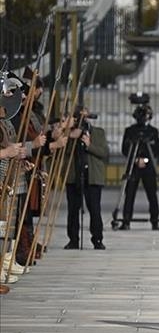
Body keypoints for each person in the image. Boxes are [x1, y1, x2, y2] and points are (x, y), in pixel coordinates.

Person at [64, 106, 108, 250]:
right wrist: (71, 136)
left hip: (92, 177)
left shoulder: (98, 133)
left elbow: (104, 153)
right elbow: (63, 153)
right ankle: (73, 239)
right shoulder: (69, 134)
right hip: (74, 175)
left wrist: (89, 145)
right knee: (73, 209)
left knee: (95, 209)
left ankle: (97, 239)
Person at [120, 103, 159, 230]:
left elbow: (157, 150)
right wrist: (136, 160)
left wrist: (146, 160)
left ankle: (155, 221)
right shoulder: (130, 131)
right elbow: (125, 149)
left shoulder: (153, 132)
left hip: (149, 168)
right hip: (133, 166)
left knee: (152, 194)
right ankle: (126, 220)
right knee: (129, 193)